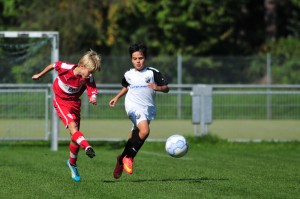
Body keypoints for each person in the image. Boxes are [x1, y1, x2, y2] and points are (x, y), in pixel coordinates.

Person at [32, 50, 101, 182]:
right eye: (90, 71)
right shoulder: (66, 68)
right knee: (73, 127)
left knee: (74, 138)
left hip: (74, 103)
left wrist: (93, 98)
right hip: (61, 101)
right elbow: (53, 65)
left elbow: (92, 90)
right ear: (81, 65)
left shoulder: (88, 78)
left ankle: (72, 164)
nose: (91, 75)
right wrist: (40, 75)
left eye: (93, 72)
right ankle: (87, 146)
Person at [109, 43, 169, 179]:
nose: (138, 61)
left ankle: (121, 158)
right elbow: (127, 86)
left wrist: (157, 87)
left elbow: (166, 88)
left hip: (148, 108)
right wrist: (117, 97)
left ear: (145, 58)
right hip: (132, 106)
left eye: (140, 58)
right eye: (135, 58)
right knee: (145, 131)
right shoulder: (128, 74)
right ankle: (129, 157)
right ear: (131, 59)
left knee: (134, 138)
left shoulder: (152, 72)